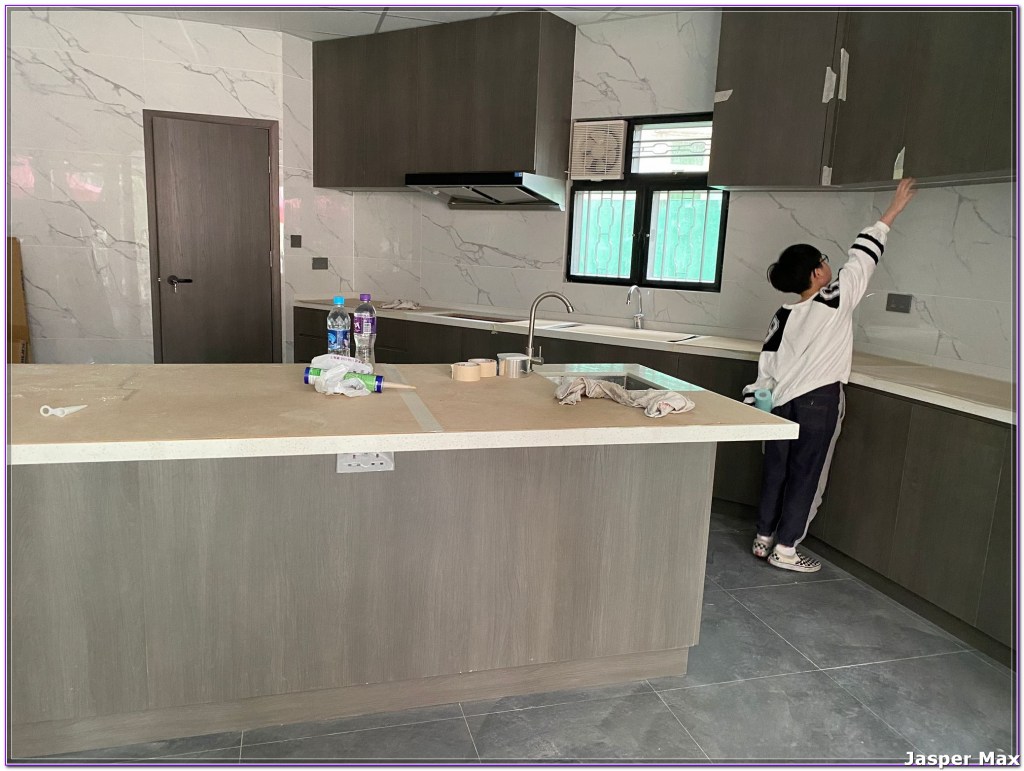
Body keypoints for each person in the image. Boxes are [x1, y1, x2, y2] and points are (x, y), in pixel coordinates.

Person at [743, 177, 917, 572]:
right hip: (818, 403)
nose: (828, 264)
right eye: (823, 260)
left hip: (778, 405)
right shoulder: (834, 299)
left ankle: (763, 537)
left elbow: (766, 366)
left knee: (776, 472)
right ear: (817, 273)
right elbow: (863, 258)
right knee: (807, 476)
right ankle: (786, 550)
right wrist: (892, 211)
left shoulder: (783, 315)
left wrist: (759, 398)